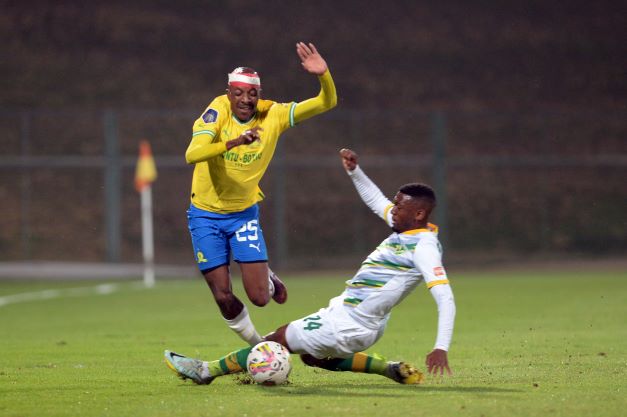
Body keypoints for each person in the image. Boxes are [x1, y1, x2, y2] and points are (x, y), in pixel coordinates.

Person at [165, 148, 456, 385]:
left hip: (351, 323)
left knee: (277, 339)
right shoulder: (406, 229)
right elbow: (376, 201)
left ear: (418, 213)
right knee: (312, 357)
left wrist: (441, 346)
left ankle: (206, 371)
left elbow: (444, 297)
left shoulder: (424, 247)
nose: (392, 209)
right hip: (352, 314)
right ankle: (387, 369)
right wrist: (355, 172)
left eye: (399, 207)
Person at [185, 42, 337, 346]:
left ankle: (267, 277)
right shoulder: (217, 111)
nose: (245, 99)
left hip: (242, 215)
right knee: (223, 295)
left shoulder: (273, 115)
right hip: (205, 215)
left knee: (260, 299)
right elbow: (193, 154)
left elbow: (326, 103)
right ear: (229, 94)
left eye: (251, 93)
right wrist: (233, 142)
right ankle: (260, 346)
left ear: (259, 94)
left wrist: (324, 76)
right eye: (238, 93)